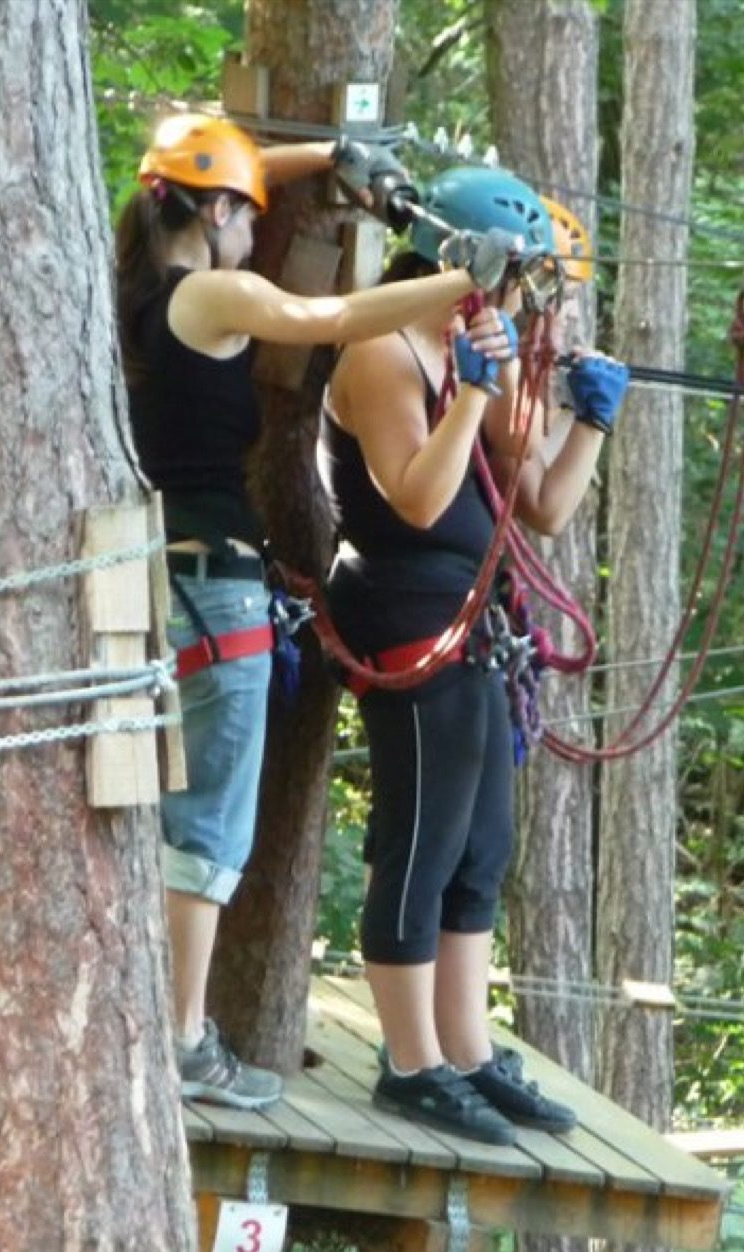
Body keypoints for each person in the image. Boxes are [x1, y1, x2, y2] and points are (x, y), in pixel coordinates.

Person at [115, 116, 517, 1111]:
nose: (257, 230)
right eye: (245, 216)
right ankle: (179, 1038)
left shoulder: (137, 292)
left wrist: (329, 160)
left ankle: (168, 1023)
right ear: (210, 215)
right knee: (208, 827)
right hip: (214, 589)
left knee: (181, 815)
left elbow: (219, 172)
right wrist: (464, 279)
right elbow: (331, 322)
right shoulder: (210, 291)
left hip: (177, 578)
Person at [319, 166, 630, 1144]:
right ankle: (409, 1061)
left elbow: (542, 499)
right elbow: (413, 496)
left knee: (480, 844)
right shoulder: (380, 349)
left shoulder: (467, 343)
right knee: (422, 839)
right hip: (406, 604)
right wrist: (471, 392)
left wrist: (586, 416)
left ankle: (465, 1050)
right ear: (471, 262)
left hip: (473, 613)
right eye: (519, 279)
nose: (527, 301)